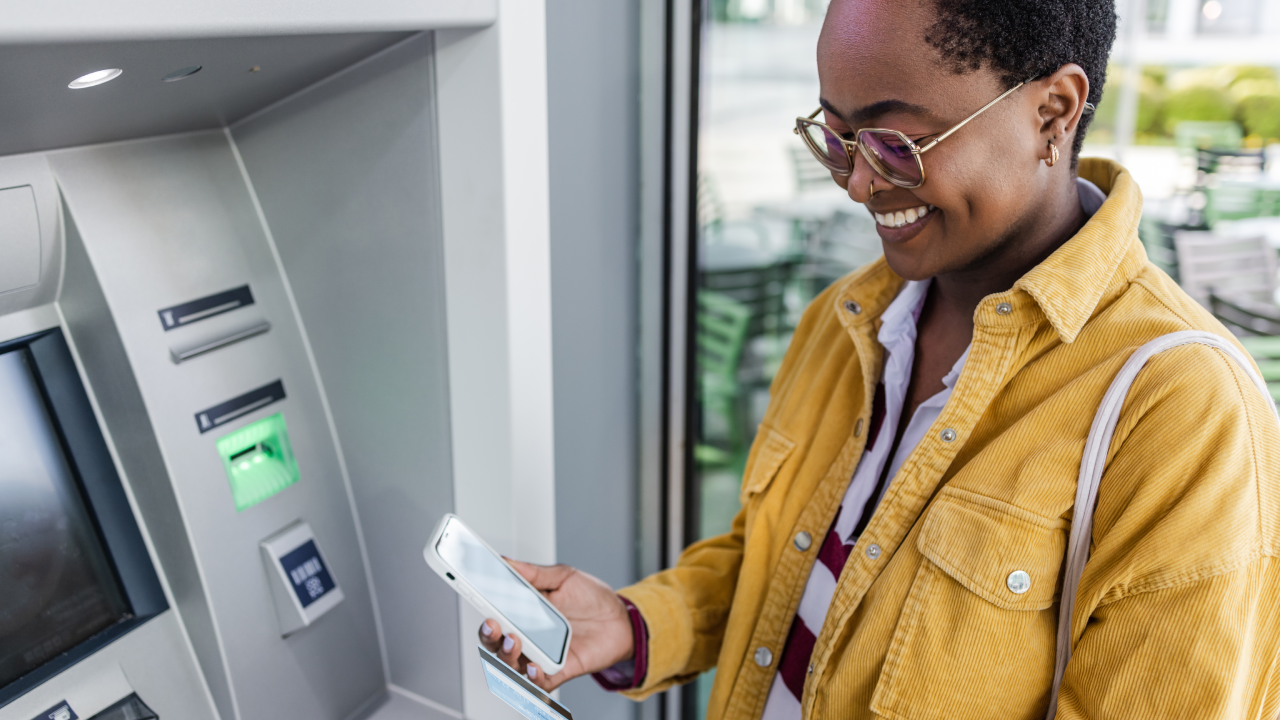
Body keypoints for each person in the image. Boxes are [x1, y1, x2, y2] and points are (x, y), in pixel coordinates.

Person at [483, 0, 1280, 717]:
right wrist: (633, 622)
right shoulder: (847, 319)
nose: (860, 184)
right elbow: (788, 569)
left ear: (1053, 112)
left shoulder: (1185, 412)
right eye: (836, 135)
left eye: (899, 141)